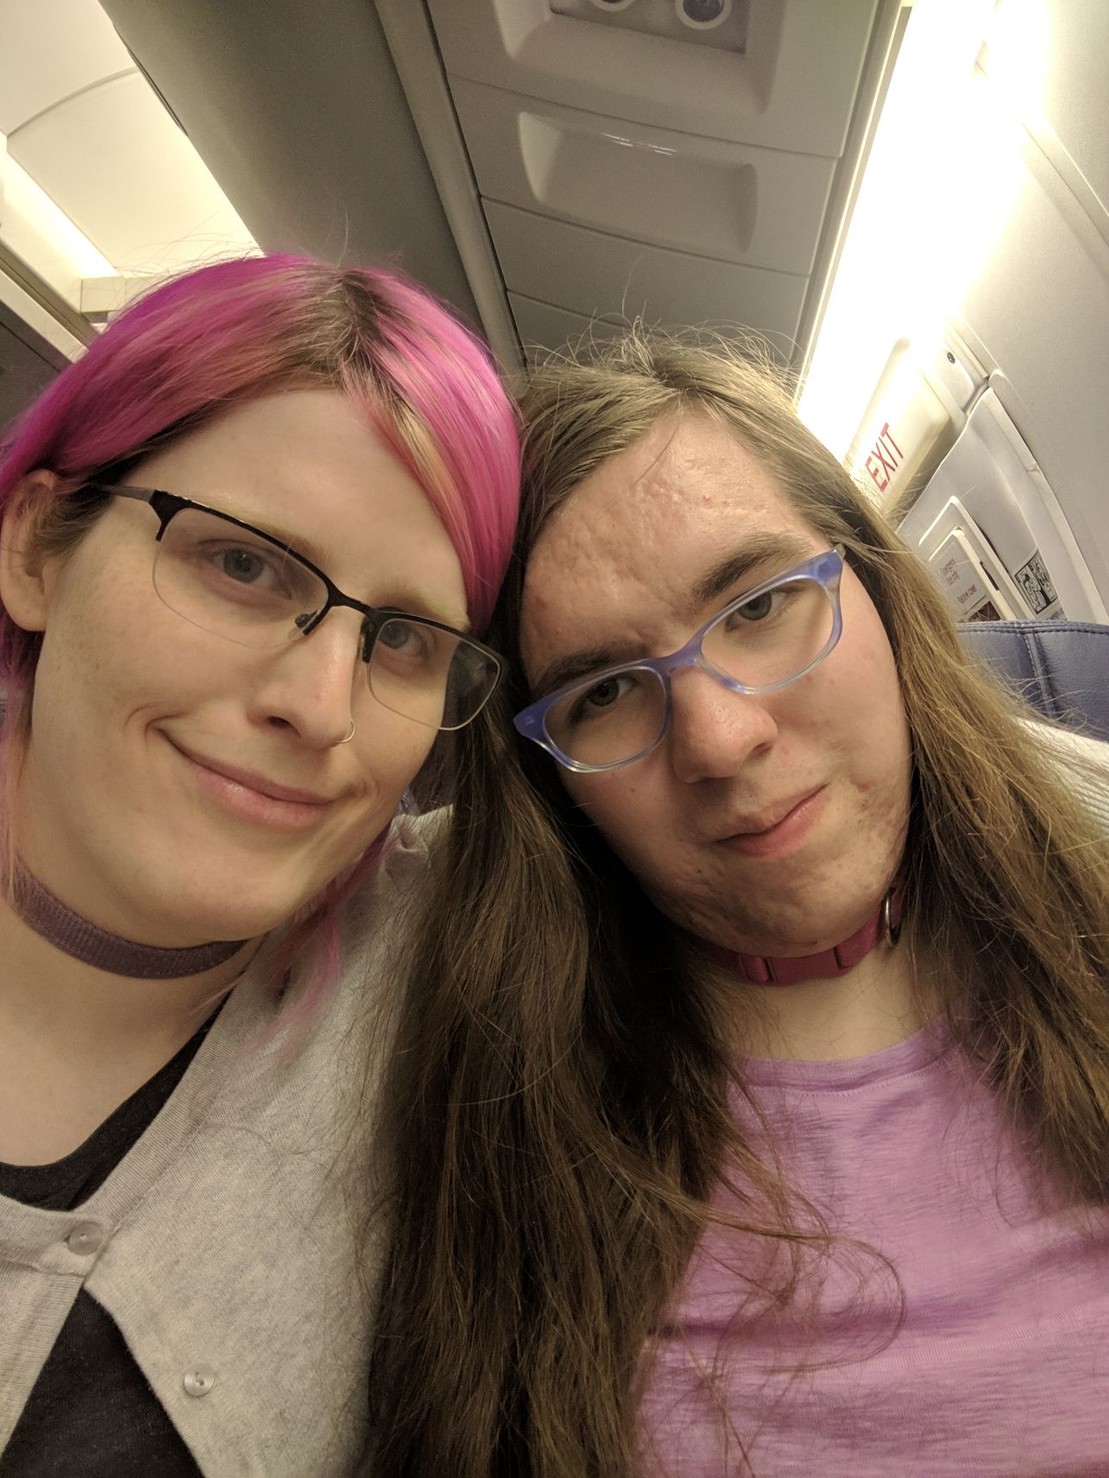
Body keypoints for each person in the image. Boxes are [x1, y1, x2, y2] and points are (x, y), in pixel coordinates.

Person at [369, 333, 1109, 1476]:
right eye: (604, 691)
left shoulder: (1090, 855)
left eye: (761, 604)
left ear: (873, 580)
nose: (720, 737)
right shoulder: (493, 1081)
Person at [0, 253, 519, 1475]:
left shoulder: (453, 957)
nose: (319, 706)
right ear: (34, 548)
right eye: (242, 564)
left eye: (400, 638)